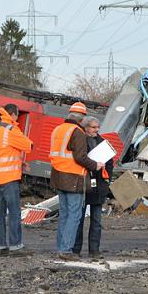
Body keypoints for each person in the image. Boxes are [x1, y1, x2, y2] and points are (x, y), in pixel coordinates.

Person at [49, 102, 102, 260]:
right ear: (82, 119)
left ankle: (61, 247)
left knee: (64, 215)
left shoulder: (58, 129)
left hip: (58, 177)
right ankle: (66, 250)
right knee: (74, 215)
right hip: (73, 178)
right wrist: (95, 165)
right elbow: (80, 157)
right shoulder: (77, 132)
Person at [0, 104, 33, 256]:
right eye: (17, 116)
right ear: (12, 114)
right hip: (9, 178)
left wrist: (19, 162)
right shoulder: (11, 130)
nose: (17, 119)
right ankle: (15, 246)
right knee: (14, 212)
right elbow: (28, 145)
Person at [73, 116, 113, 259]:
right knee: (79, 219)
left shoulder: (103, 143)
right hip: (83, 185)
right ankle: (75, 250)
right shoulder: (80, 141)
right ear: (86, 127)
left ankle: (94, 250)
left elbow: (109, 165)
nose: (97, 130)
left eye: (97, 127)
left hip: (99, 187)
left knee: (96, 221)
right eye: (94, 127)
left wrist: (107, 181)